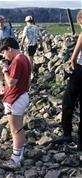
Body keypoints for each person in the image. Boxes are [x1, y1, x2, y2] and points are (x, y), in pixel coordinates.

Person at [0, 37, 31, 169]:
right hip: (21, 95)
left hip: (15, 99)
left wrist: (5, 69)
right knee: (19, 127)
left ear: (9, 49)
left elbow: (11, 82)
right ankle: (19, 154)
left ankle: (15, 160)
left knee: (14, 129)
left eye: (4, 53)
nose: (4, 56)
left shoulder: (17, 61)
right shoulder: (25, 57)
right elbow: (26, 79)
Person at [53, 10, 82, 151]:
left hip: (80, 71)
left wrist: (75, 67)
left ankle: (67, 133)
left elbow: (73, 58)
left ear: (79, 21)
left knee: (68, 101)